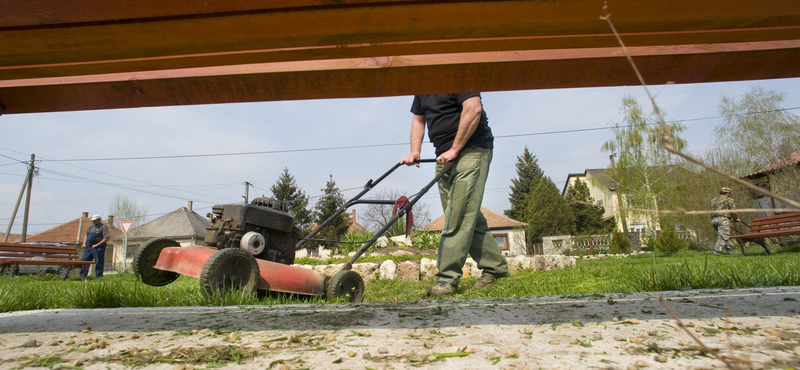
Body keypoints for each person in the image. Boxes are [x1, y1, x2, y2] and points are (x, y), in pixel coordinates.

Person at [400, 93, 509, 297]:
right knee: (466, 214)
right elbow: (418, 119)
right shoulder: (422, 87)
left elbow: (473, 109)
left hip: (471, 149)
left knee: (457, 216)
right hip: (444, 156)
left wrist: (455, 148)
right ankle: (496, 268)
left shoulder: (457, 74)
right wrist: (415, 150)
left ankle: (447, 279)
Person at [710, 187, 738, 255]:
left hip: (713, 220)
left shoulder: (713, 200)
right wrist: (735, 219)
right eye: (730, 194)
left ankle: (732, 250)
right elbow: (733, 212)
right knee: (723, 236)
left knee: (724, 235)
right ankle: (717, 252)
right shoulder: (728, 200)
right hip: (723, 219)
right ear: (728, 193)